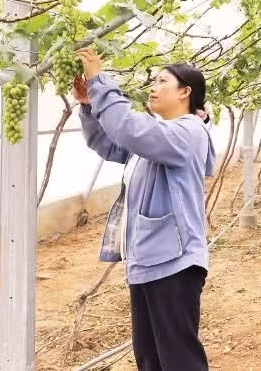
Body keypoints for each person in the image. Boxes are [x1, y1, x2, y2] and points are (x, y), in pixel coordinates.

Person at [73, 48, 216, 371]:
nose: (153, 86)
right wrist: (88, 106)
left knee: (179, 360)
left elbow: (129, 129)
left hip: (174, 263)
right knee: (150, 359)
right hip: (148, 259)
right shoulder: (158, 138)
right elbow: (110, 143)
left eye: (163, 81)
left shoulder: (188, 132)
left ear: (185, 92)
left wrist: (99, 81)